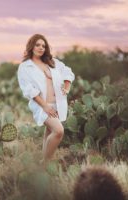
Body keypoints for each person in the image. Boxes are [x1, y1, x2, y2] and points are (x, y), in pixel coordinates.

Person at [17, 33, 75, 163]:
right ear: (31, 46)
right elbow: (28, 90)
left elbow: (68, 72)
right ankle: (45, 162)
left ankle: (43, 168)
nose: (41, 48)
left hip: (58, 104)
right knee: (59, 131)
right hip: (42, 106)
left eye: (43, 45)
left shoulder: (52, 62)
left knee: (49, 132)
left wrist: (67, 87)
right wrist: (45, 106)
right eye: (37, 45)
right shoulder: (25, 67)